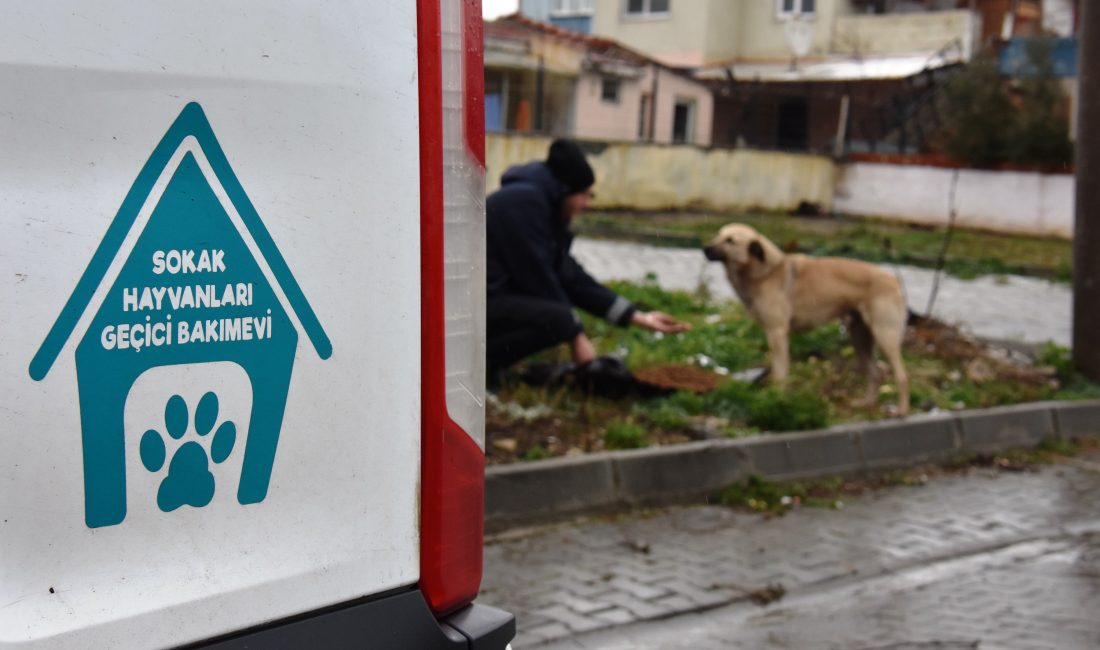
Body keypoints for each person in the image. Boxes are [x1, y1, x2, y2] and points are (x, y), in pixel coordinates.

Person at [486, 139, 690, 379]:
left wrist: (635, 316)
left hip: (492, 299)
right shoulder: (522, 202)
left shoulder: (541, 203)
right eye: (584, 195)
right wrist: (575, 333)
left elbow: (568, 275)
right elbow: (537, 276)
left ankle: (488, 365)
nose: (586, 204)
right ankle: (481, 366)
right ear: (565, 190)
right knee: (559, 320)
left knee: (561, 318)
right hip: (475, 303)